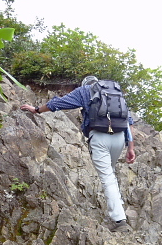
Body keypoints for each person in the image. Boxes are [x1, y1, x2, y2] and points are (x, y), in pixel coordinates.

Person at [20, 76, 135, 233]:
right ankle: (117, 206)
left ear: (85, 84)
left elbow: (58, 103)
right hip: (120, 137)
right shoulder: (115, 93)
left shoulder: (84, 91)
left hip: (99, 136)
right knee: (111, 173)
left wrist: (37, 109)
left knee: (107, 177)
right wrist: (130, 147)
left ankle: (120, 220)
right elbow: (128, 121)